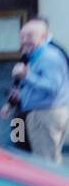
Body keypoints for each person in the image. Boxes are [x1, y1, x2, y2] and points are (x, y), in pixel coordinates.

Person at [9, 17, 69, 164]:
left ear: (44, 36)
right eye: (22, 36)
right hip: (25, 112)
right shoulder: (31, 55)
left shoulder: (50, 56)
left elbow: (53, 87)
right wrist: (11, 102)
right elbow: (24, 83)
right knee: (24, 151)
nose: (24, 40)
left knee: (45, 162)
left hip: (44, 114)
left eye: (29, 36)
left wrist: (27, 76)